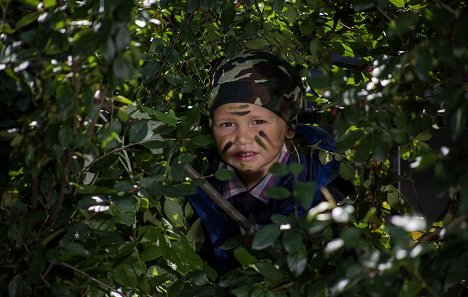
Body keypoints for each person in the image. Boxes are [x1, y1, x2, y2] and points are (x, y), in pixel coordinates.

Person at [187, 50, 352, 275]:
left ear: (289, 128)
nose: (243, 138)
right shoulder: (191, 189)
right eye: (227, 124)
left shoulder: (330, 194)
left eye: (258, 122)